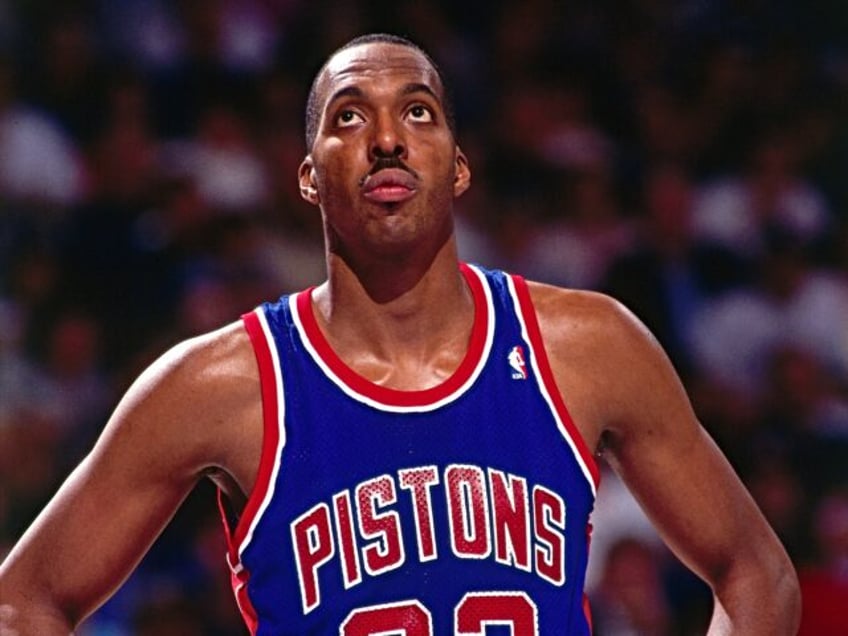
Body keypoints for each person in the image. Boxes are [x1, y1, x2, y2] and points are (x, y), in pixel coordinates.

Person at [0, 33, 800, 635]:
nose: (387, 137)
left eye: (418, 111)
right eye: (349, 116)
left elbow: (757, 572)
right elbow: (23, 601)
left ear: (457, 165)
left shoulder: (586, 344)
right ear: (309, 175)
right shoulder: (221, 384)